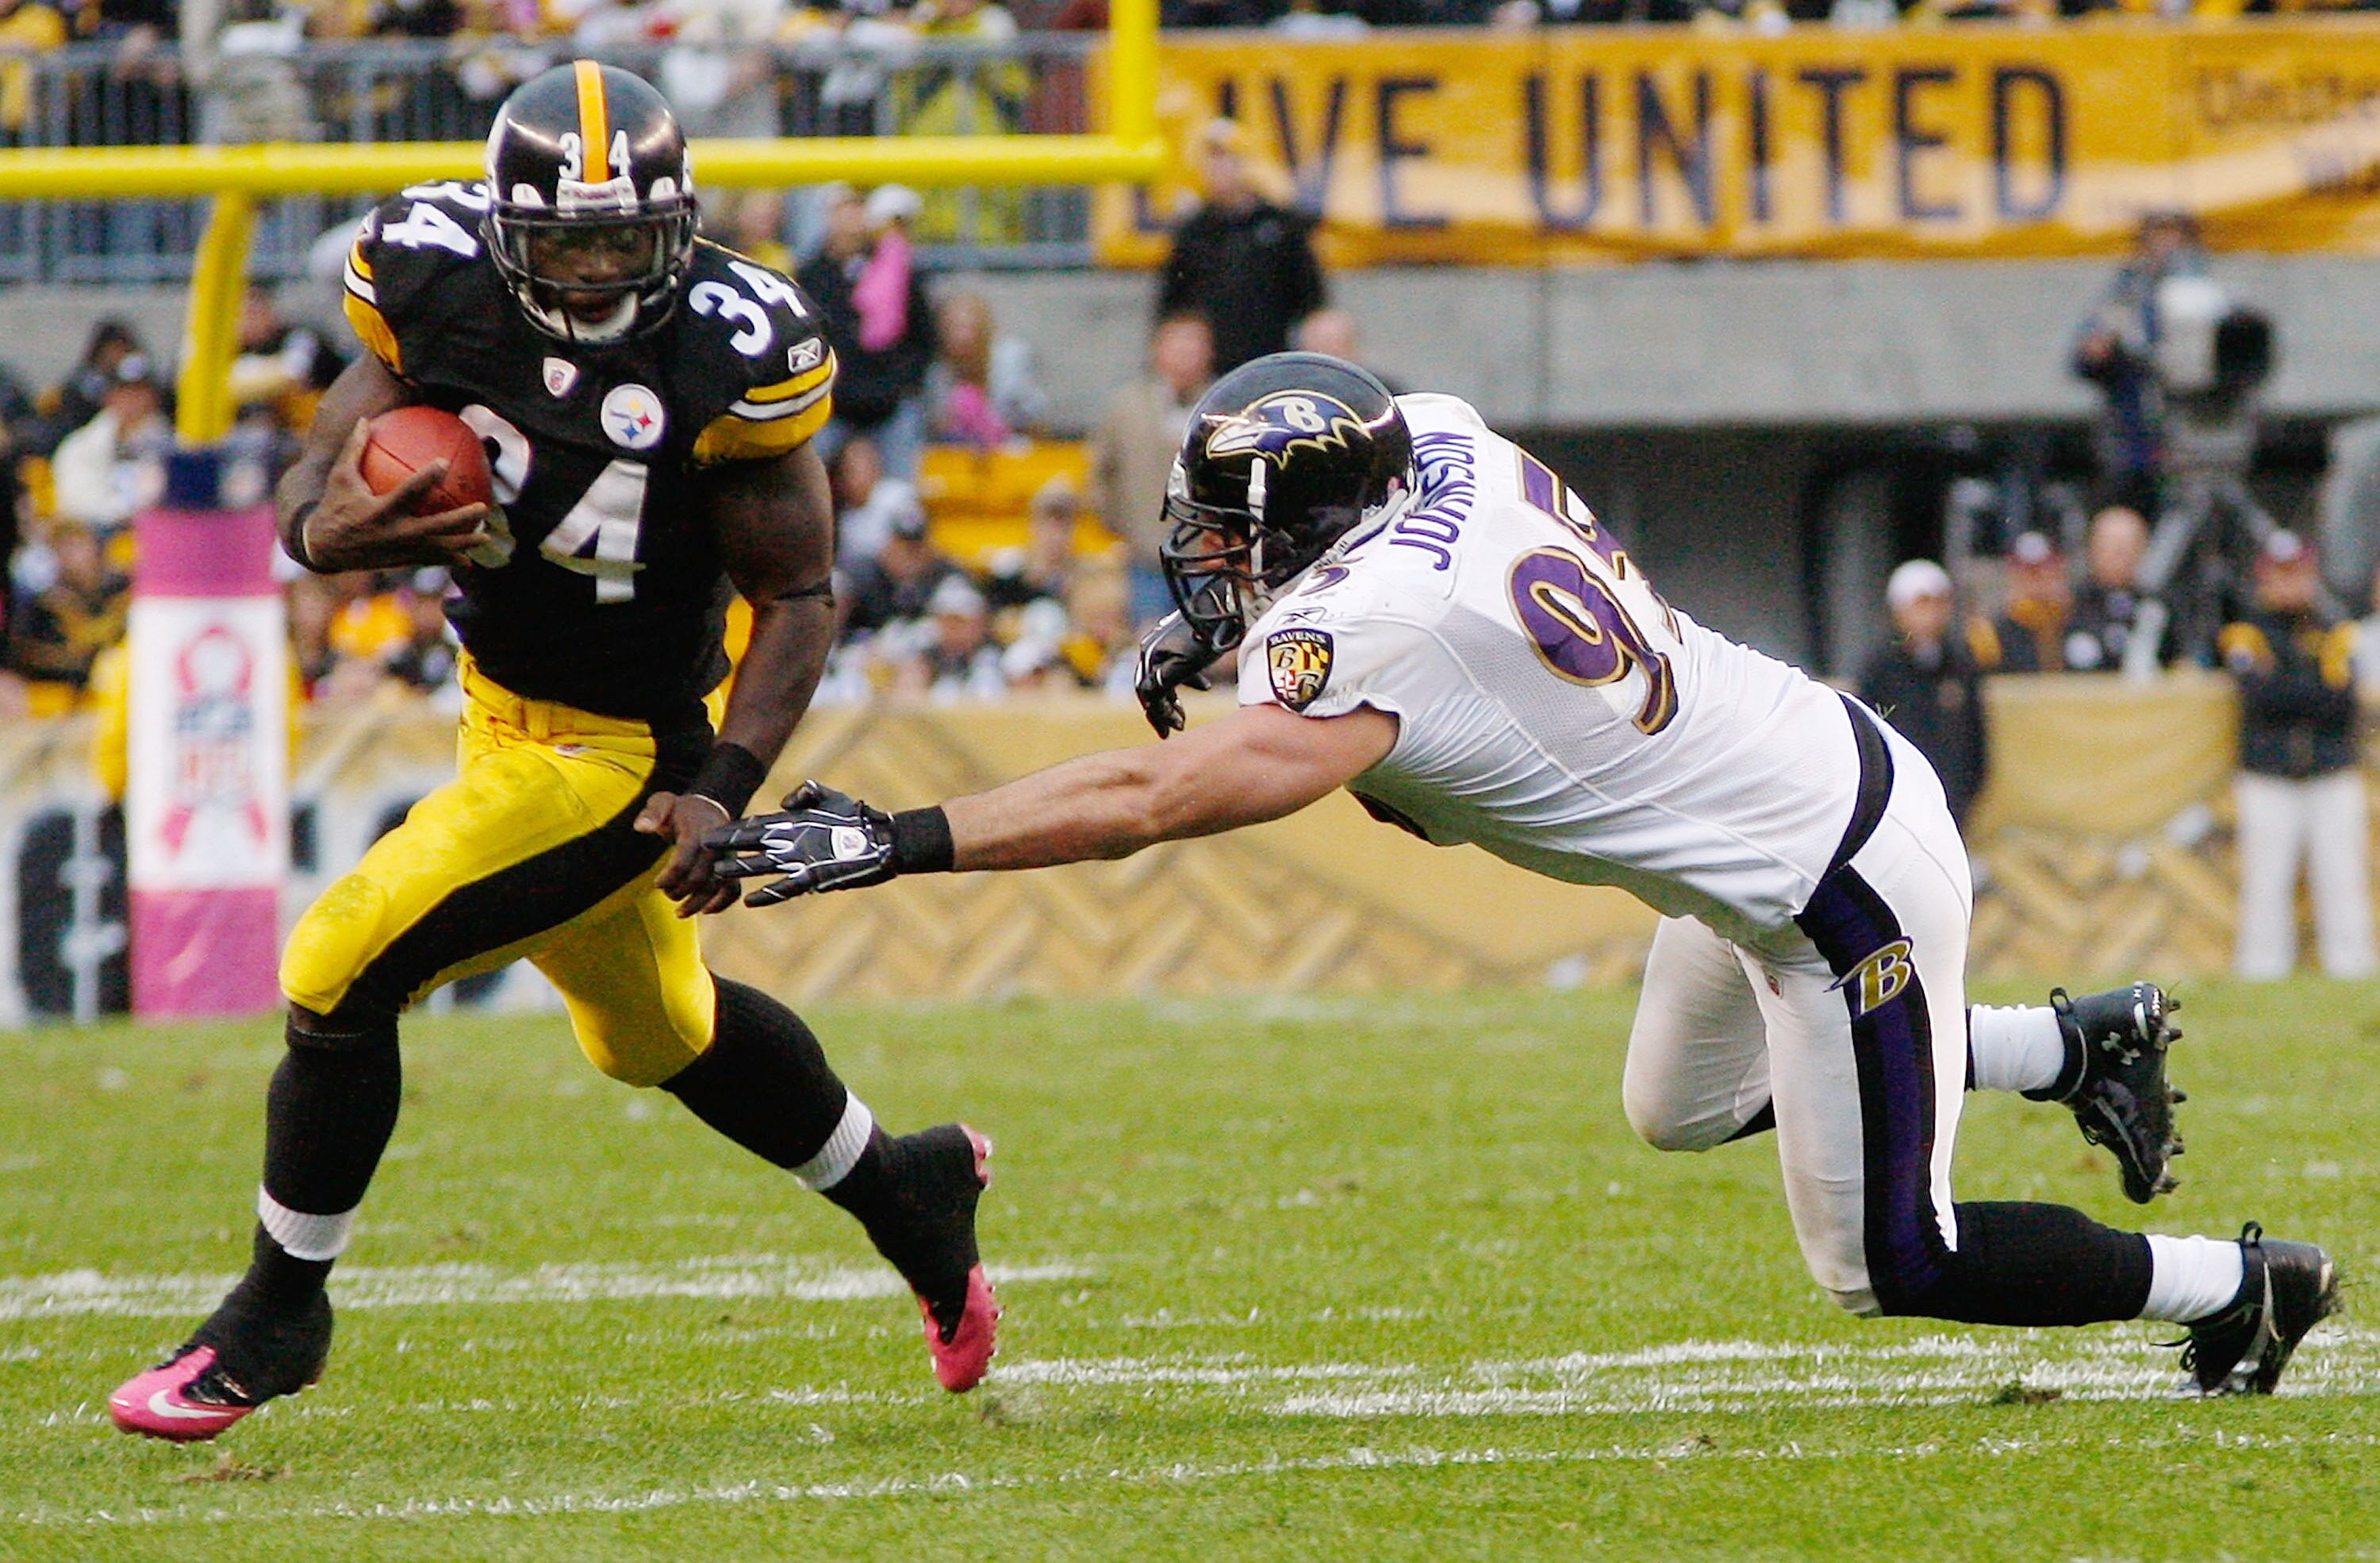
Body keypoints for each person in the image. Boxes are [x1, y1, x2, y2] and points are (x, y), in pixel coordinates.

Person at [707, 352, 2336, 1398]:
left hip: (1838, 881)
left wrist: (898, 835)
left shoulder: (1382, 631)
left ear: (1309, 537)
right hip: (1783, 789)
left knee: (1888, 1261)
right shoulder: (1441, 441)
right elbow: (1369, 490)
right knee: (1677, 1106)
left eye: (1229, 535)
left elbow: (1156, 796)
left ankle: (2240, 1287)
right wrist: (1246, 628)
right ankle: (2072, 1043)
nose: (1205, 561)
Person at [106, 61, 1000, 1447]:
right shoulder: (431, 273)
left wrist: (717, 789)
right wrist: (318, 530)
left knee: (338, 962)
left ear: (681, 228)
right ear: (509, 232)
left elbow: (805, 596)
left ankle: (277, 1315)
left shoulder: (732, 347)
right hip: (497, 714)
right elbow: (331, 448)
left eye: (623, 243)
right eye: (566, 243)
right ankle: (914, 1193)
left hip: (621, 755)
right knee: (660, 1036)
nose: (593, 274)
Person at [2221, 531, 2377, 981]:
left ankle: (2351, 968)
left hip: (2329, 770)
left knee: (2343, 878)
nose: (2290, 585)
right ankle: (2260, 970)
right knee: (2265, 881)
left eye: (2298, 573)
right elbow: (2259, 698)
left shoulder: (2334, 628)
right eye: (2281, 574)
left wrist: (2289, 690)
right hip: (2269, 774)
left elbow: (2341, 702)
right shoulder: (2247, 630)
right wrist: (2307, 693)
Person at [1156, 118, 1327, 378]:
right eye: (1213, 160)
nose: (1220, 169)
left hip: (1273, 361)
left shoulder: (1281, 228)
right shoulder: (1193, 232)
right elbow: (1173, 303)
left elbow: (1311, 299)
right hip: (1210, 371)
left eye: (1228, 159)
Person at [1092, 312, 1214, 627]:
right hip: (1145, 560)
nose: (1186, 355)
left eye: (1194, 346)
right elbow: (1101, 474)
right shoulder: (1125, 407)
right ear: (1157, 350)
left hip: (1209, 563)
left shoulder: (1226, 407)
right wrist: (1124, 528)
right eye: (1178, 346)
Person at [1858, 559, 1989, 828]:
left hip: (1952, 803)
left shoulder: (1962, 664)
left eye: (1940, 602)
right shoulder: (1880, 668)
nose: (1932, 612)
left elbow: (1976, 740)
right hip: (1896, 805)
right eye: (1922, 603)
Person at [1967, 531, 2071, 675]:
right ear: (2013, 575)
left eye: (2044, 569)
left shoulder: (2075, 622)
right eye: (2028, 572)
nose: (2036, 580)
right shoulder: (1992, 634)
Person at [2068, 505, 2157, 674]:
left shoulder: (2158, 606)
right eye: (2110, 545)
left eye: (2127, 546)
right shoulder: (2069, 606)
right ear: (2092, 547)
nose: (2119, 554)